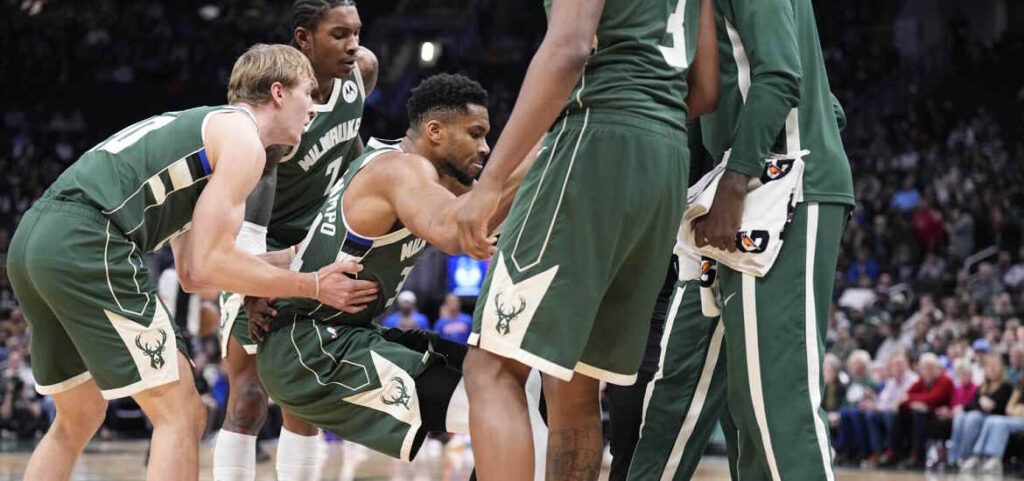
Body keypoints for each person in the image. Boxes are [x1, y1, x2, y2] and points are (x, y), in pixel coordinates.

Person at [5, 44, 375, 481]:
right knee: (182, 411)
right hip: (88, 238)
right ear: (278, 93)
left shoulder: (208, 132)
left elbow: (194, 274)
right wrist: (312, 285)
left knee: (79, 414)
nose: (314, 108)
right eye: (307, 94)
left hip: (35, 239)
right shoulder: (245, 142)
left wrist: (293, 259)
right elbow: (208, 266)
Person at [455, 0, 718, 477]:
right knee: (574, 382)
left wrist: (490, 184)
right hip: (666, 154)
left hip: (595, 137)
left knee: (491, 368)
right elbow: (705, 88)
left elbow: (569, 48)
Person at [250, 74, 546, 467]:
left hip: (346, 335)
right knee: (506, 408)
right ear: (435, 131)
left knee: (525, 384)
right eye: (475, 134)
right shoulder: (400, 171)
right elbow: (456, 231)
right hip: (311, 349)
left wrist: (254, 287)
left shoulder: (417, 175)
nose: (485, 147)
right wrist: (545, 146)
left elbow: (300, 252)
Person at [684, 0, 856, 477]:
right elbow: (830, 107)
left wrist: (736, 180)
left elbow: (779, 75)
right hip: (765, 184)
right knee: (752, 410)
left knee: (780, 408)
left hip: (778, 189)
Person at [213, 2, 380, 480]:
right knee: (248, 397)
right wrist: (253, 287)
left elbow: (347, 138)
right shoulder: (277, 106)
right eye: (339, 35)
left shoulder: (362, 71)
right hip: (257, 244)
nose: (353, 46)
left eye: (356, 33)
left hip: (315, 246)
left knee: (303, 395)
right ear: (304, 38)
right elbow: (252, 207)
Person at [881, 353, 954, 469]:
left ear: (937, 368)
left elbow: (932, 398)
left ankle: (917, 457)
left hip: (943, 420)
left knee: (919, 415)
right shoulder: (922, 381)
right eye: (925, 368)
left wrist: (913, 400)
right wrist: (914, 402)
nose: (928, 371)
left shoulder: (945, 380)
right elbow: (905, 395)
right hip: (928, 416)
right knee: (902, 413)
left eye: (931, 367)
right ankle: (894, 452)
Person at [949, 355, 1013, 468]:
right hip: (979, 414)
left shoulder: (1007, 387)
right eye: (989, 366)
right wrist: (981, 402)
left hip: (992, 417)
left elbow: (1000, 408)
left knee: (973, 417)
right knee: (960, 416)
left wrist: (983, 404)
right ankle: (953, 457)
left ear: (1001, 369)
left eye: (995, 366)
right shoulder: (982, 387)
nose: (992, 369)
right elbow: (970, 405)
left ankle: (965, 456)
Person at [960, 374, 1024, 474]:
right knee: (991, 419)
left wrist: (1019, 409)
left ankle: (995, 458)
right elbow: (1009, 408)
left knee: (1000, 423)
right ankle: (978, 455)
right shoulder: (1021, 383)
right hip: (1017, 418)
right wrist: (1018, 410)